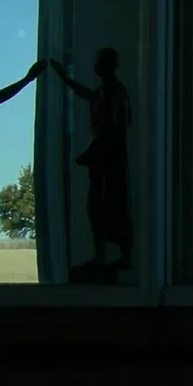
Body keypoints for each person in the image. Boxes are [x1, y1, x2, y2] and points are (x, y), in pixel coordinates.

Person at [50, 49, 133, 275]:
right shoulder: (107, 91)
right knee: (101, 207)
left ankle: (112, 257)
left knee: (105, 206)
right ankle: (106, 257)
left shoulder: (115, 93)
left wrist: (95, 152)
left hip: (108, 162)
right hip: (105, 160)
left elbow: (113, 129)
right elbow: (88, 95)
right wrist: (64, 77)